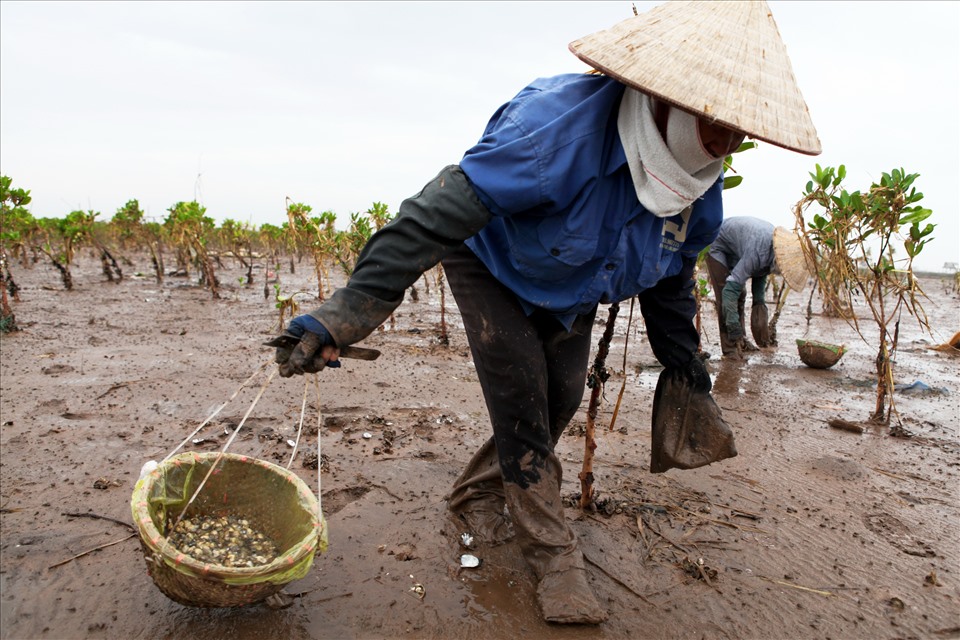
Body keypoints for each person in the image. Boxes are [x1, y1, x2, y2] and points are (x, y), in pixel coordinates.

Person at [269, 1, 820, 626]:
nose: (725, 142)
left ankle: (476, 490)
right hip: (490, 266)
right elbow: (433, 214)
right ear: (661, 96)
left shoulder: (699, 192)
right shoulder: (555, 132)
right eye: (712, 122)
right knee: (524, 405)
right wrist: (343, 315)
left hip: (575, 285)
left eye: (738, 132)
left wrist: (686, 365)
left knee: (558, 396)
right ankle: (555, 558)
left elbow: (669, 284)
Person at [706, 216, 810, 358]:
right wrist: (733, 326)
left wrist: (760, 313)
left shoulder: (773, 250)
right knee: (726, 293)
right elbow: (729, 293)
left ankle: (742, 341)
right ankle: (731, 349)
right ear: (779, 260)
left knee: (741, 295)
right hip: (717, 243)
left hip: (739, 246)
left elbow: (759, 285)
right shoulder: (758, 251)